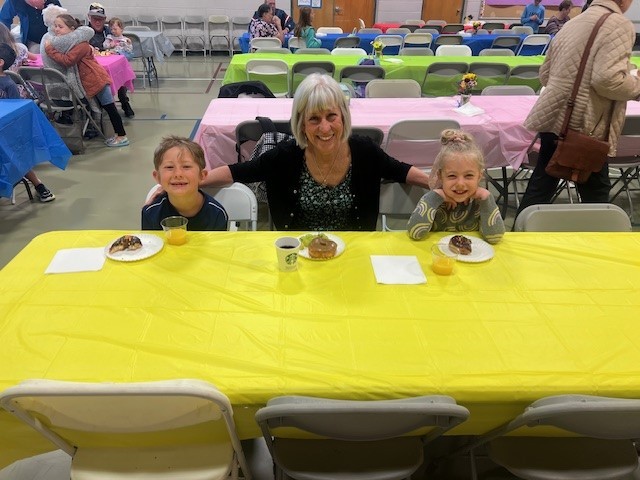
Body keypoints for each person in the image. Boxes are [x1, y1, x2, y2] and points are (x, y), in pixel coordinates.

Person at [199, 74, 431, 231]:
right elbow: (238, 172)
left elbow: (401, 171)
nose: (325, 128)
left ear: (343, 117)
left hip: (353, 254)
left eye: (331, 116)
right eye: (314, 119)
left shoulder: (364, 151)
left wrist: (439, 184)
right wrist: (189, 182)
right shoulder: (285, 156)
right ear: (301, 124)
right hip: (299, 255)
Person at [517, 0, 640, 216]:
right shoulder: (619, 24)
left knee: (541, 187)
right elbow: (607, 80)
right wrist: (635, 83)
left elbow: (545, 75)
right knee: (596, 196)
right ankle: (595, 244)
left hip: (554, 116)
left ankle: (519, 236)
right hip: (584, 123)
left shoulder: (573, 23)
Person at [45, 14, 129, 147]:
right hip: (90, 81)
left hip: (97, 80)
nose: (56, 29)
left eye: (60, 26)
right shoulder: (70, 43)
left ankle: (122, 135)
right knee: (104, 107)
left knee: (110, 107)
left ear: (72, 29)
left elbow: (68, 61)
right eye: (55, 26)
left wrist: (50, 49)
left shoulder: (81, 45)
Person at [407, 130, 505, 243]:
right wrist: (435, 197)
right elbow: (415, 234)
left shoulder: (479, 202)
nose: (460, 184)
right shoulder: (432, 199)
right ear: (440, 176)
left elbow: (495, 237)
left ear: (479, 176)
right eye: (452, 176)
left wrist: (486, 198)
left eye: (468, 175)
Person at [0, 43, 56, 201]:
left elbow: (15, 112)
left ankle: (38, 184)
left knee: (15, 156)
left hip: (7, 132)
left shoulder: (9, 85)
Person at [142, 136, 228, 231]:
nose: (178, 174)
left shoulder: (216, 213)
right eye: (169, 167)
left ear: (202, 175)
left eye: (186, 166)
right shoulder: (151, 213)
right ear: (157, 177)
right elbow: (151, 245)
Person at [87, 3, 134, 118]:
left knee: (120, 73)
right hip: (92, 67)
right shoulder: (84, 32)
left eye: (100, 19)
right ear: (89, 18)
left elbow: (126, 52)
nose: (98, 22)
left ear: (104, 19)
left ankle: (124, 101)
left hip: (112, 64)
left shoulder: (110, 31)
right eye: (94, 19)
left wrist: (123, 46)